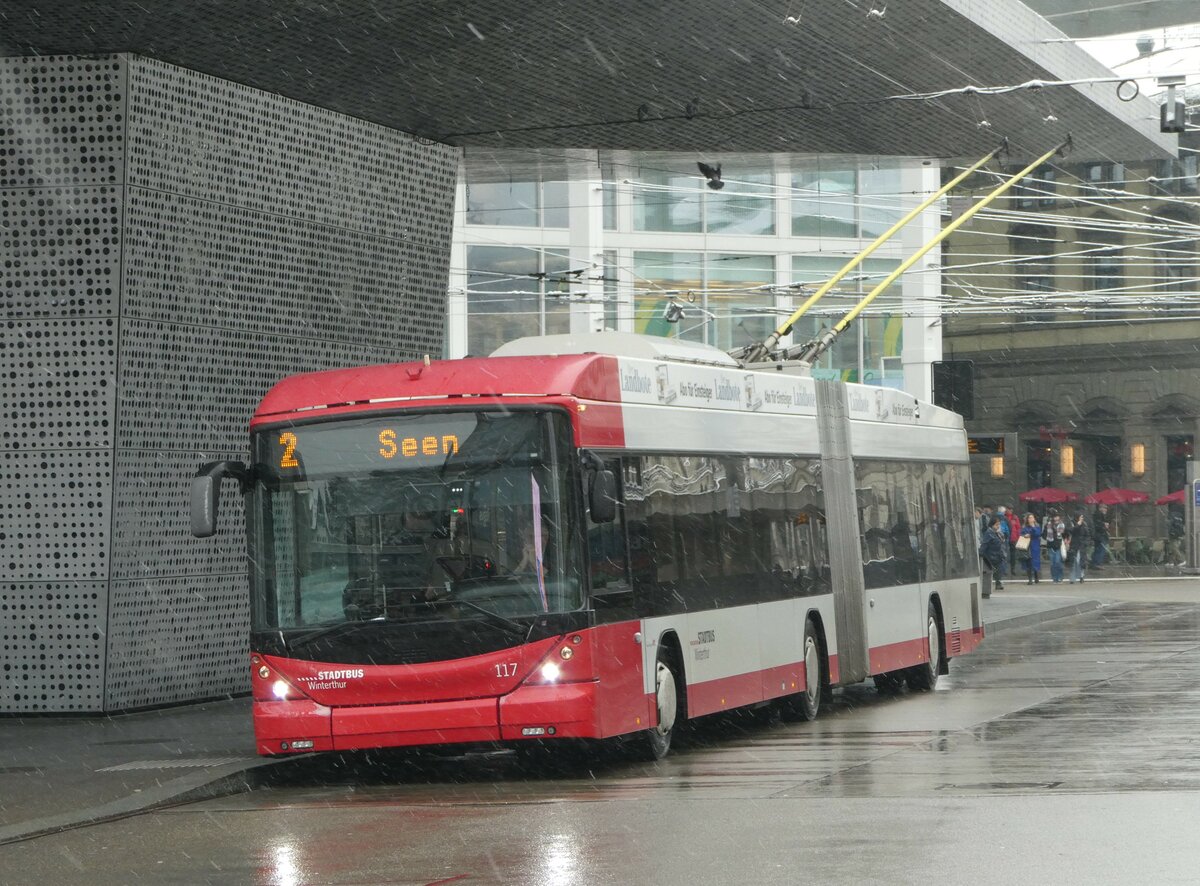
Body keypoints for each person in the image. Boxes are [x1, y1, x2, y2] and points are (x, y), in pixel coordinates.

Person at [979, 516, 1006, 594]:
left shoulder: (997, 533)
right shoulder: (989, 533)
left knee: (999, 570)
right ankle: (996, 583)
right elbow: (985, 544)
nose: (998, 526)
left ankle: (998, 583)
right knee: (993, 570)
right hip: (992, 555)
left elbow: (1002, 541)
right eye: (996, 525)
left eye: (999, 525)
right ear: (992, 524)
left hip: (998, 554)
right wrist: (981, 553)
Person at [1066, 512, 1090, 584]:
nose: (1082, 519)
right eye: (1080, 517)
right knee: (1073, 562)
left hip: (1082, 546)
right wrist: (1077, 525)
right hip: (1074, 545)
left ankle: (1081, 576)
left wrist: (1086, 543)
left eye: (1082, 517)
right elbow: (1071, 531)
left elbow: (1087, 535)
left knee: (1081, 561)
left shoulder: (1084, 524)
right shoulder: (1072, 523)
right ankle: (1072, 578)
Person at [1042, 508, 1066, 583]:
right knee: (1052, 563)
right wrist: (1046, 533)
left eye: (1057, 516)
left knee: (1058, 562)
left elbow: (1063, 534)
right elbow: (1043, 535)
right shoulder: (1048, 524)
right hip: (1050, 545)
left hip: (1058, 545)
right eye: (1054, 516)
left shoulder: (1061, 524)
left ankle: (1060, 577)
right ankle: (1054, 578)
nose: (1056, 518)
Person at [1019, 512, 1042, 584]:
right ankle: (1030, 579)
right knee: (1028, 561)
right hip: (1027, 546)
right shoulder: (1025, 527)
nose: (1031, 519)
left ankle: (1036, 577)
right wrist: (1025, 535)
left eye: (1032, 517)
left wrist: (1032, 528)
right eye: (1029, 518)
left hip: (1035, 546)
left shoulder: (1037, 526)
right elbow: (1022, 534)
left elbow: (1037, 533)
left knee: (1035, 561)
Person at [1090, 504, 1110, 569]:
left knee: (1097, 549)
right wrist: (1104, 525)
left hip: (1097, 535)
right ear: (1100, 508)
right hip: (1100, 535)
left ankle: (1094, 563)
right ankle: (1097, 563)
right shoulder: (1099, 515)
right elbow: (1098, 525)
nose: (1106, 510)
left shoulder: (1097, 515)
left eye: (1106, 508)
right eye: (1105, 508)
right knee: (1101, 550)